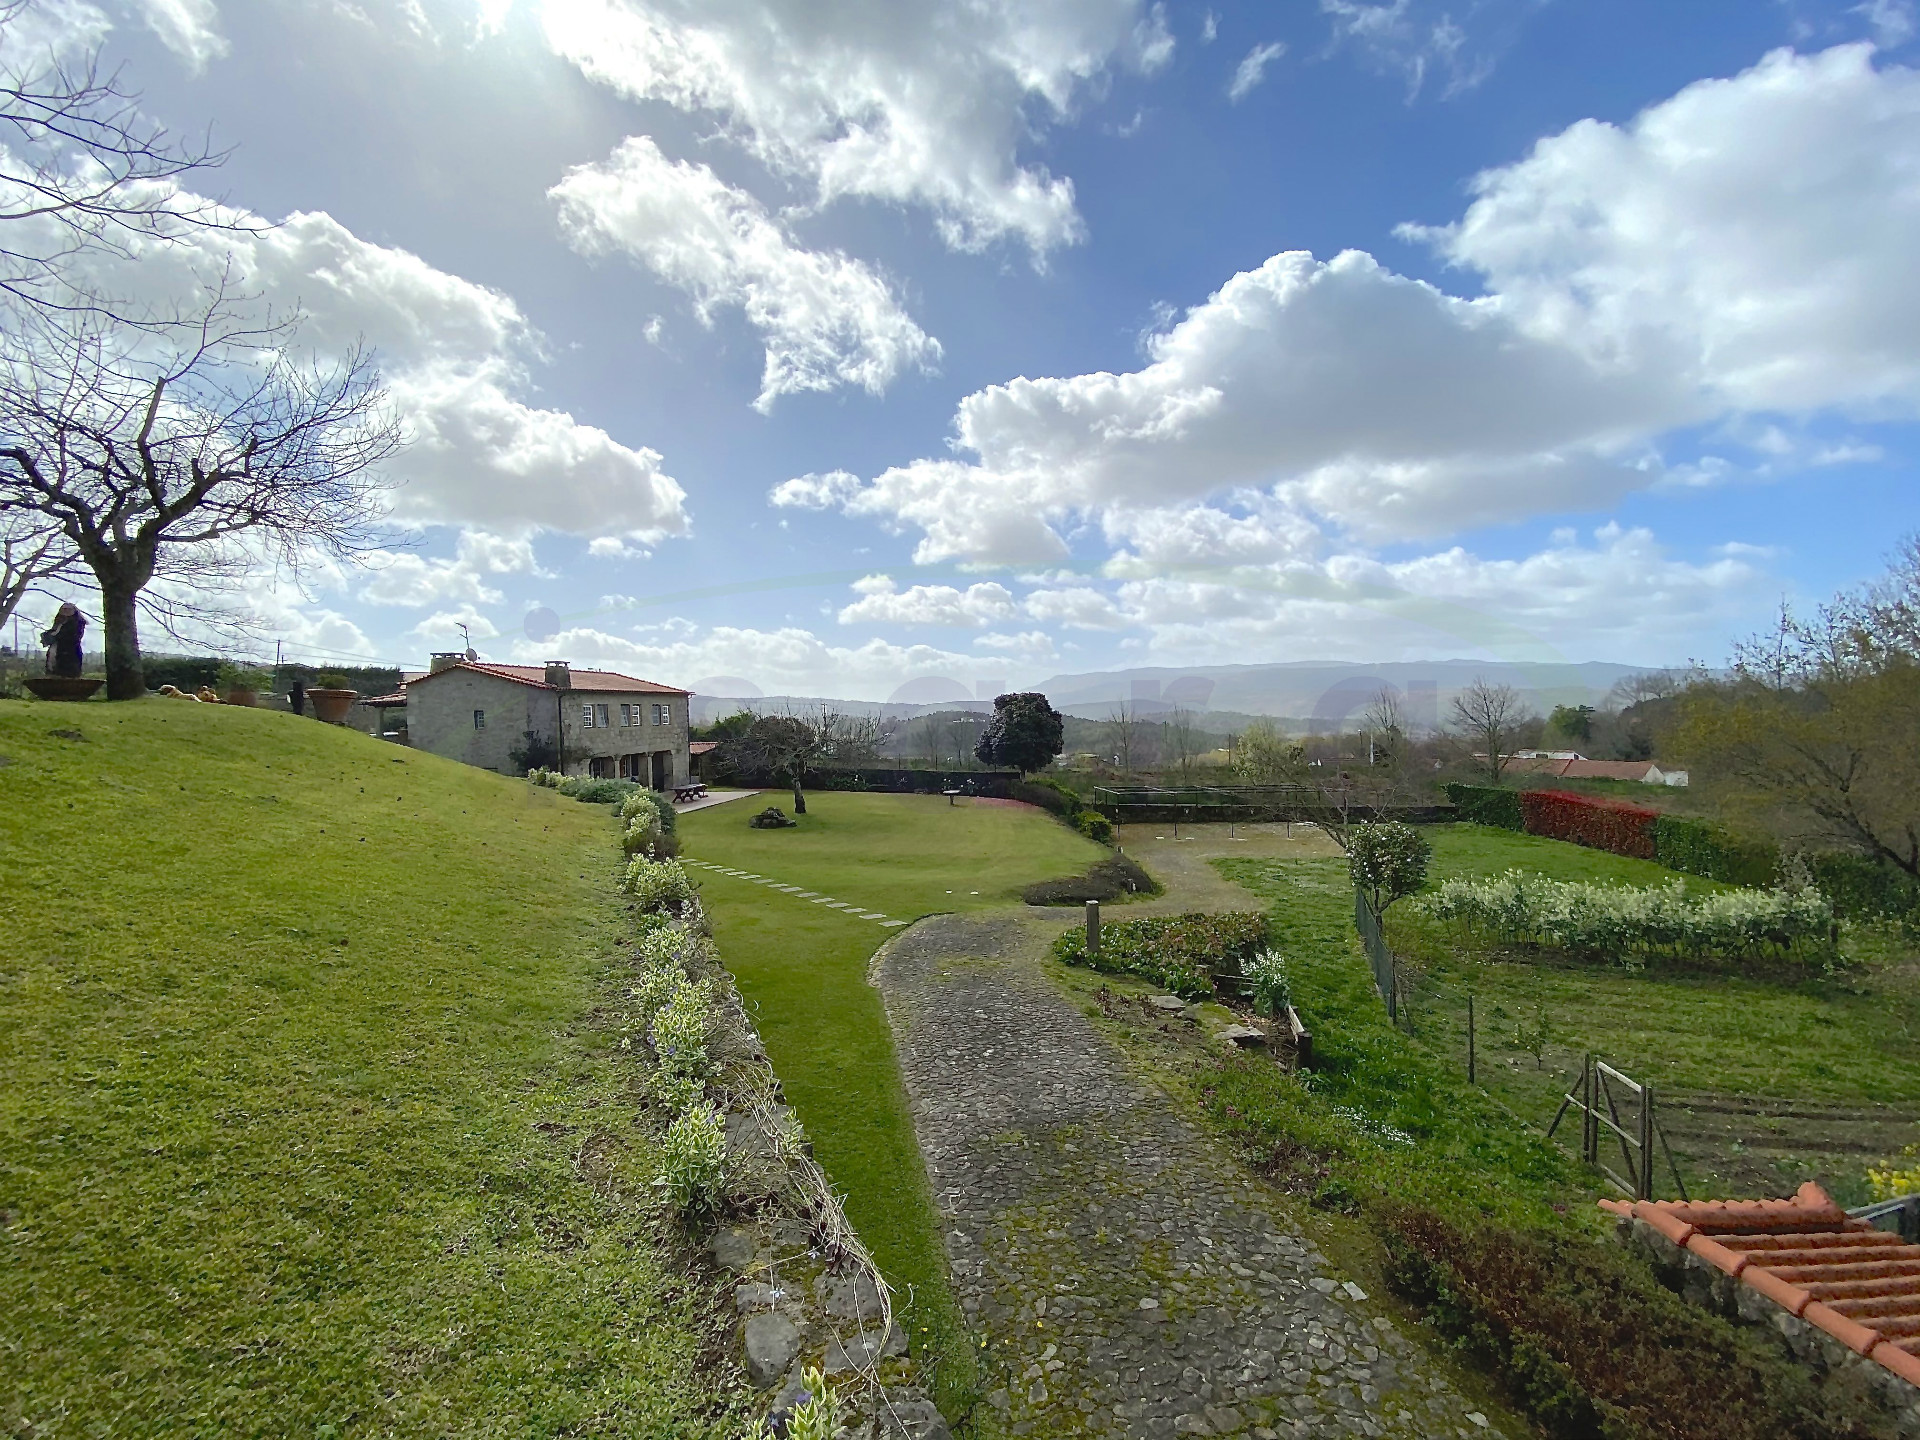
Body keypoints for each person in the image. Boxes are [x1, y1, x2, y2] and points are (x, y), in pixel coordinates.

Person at [39, 603, 84, 678]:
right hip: (55, 652)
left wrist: (55, 636)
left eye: (69, 609)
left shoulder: (77, 622)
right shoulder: (59, 622)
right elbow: (52, 633)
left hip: (69, 655)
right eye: (63, 609)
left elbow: (73, 637)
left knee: (67, 678)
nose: (66, 611)